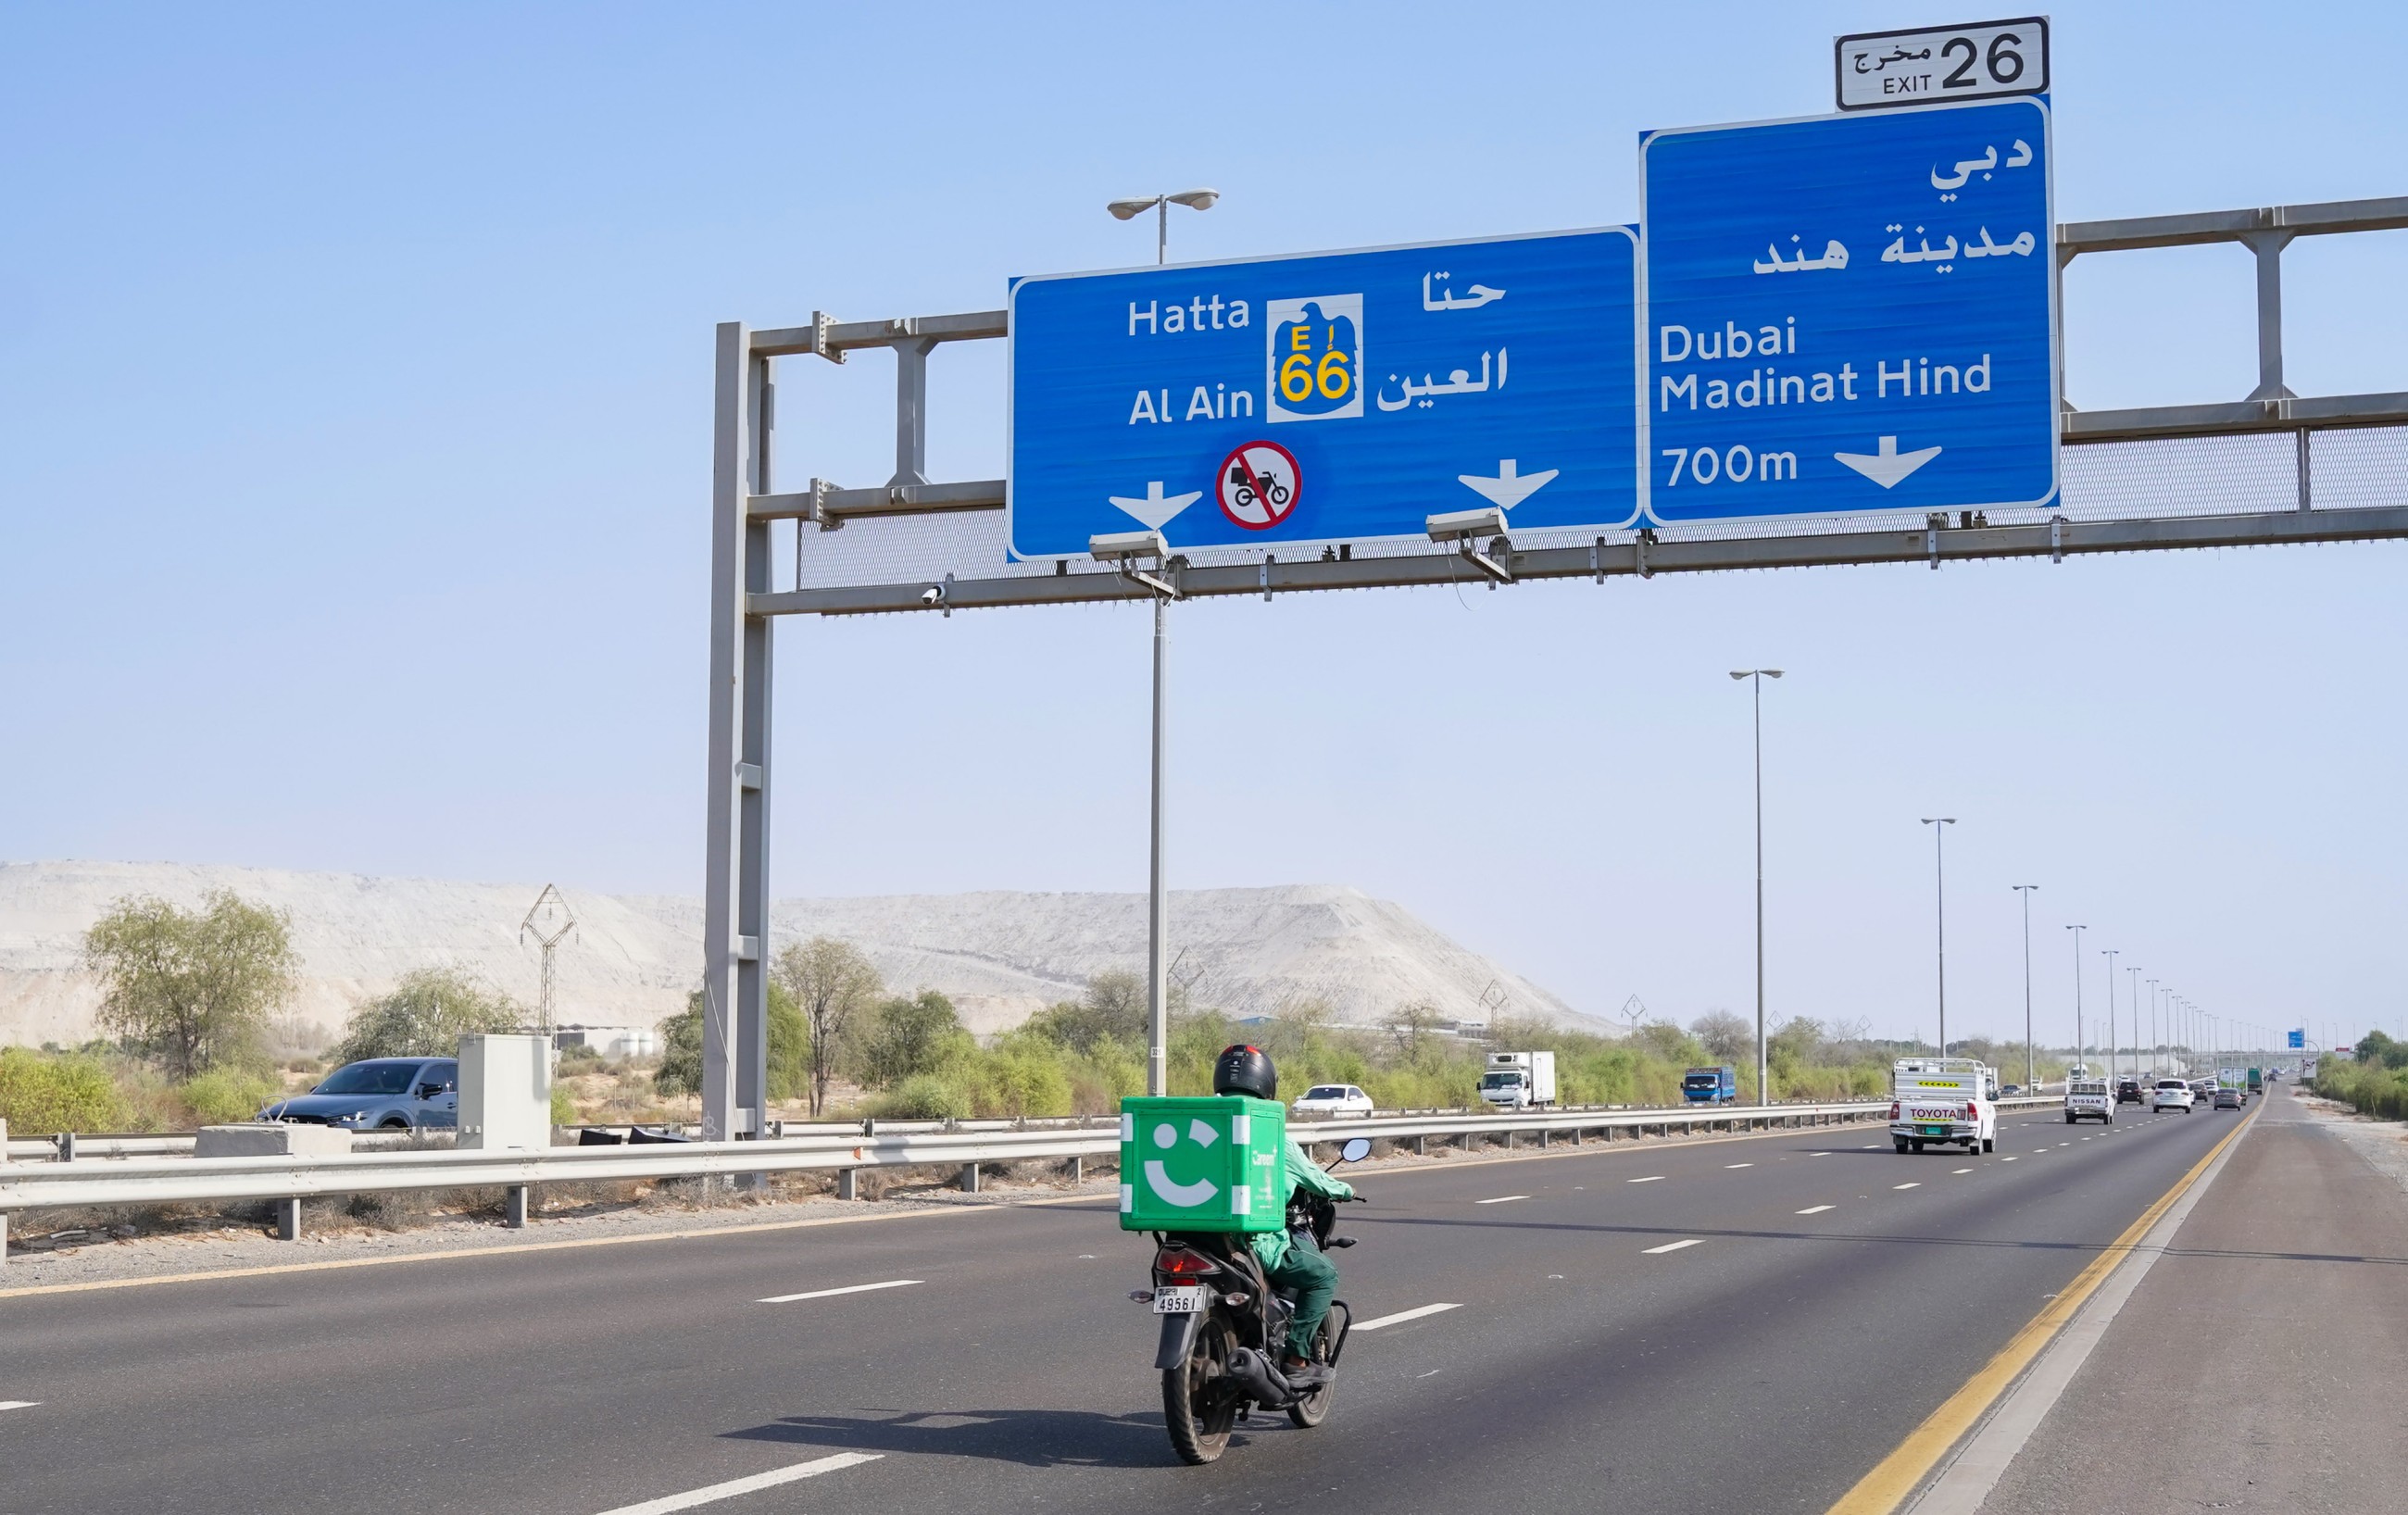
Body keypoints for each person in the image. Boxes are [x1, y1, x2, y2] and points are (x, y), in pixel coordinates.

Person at [1210, 1042, 1352, 1388]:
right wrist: (1345, 1190)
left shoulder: (1201, 1125)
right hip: (1256, 1243)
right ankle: (1296, 1358)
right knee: (1324, 1276)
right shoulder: (1271, 1136)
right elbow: (1318, 1181)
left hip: (1201, 1240)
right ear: (1264, 1081)